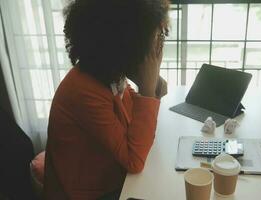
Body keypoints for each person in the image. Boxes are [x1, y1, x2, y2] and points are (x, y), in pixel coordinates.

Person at [43, 0, 170, 199]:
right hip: (86, 192)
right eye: (154, 38)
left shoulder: (106, 73)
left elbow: (126, 113)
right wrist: (147, 90)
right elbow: (134, 160)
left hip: (109, 174)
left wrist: (148, 87)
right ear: (123, 44)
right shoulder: (83, 90)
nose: (157, 47)